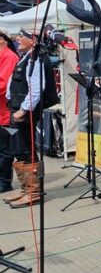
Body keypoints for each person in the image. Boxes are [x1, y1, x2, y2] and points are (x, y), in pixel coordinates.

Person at [4, 29, 56, 208]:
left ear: (33, 40)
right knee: (20, 149)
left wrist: (24, 110)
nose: (18, 39)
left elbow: (36, 87)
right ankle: (25, 189)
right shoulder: (27, 57)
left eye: (22, 37)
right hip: (16, 109)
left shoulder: (37, 58)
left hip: (24, 113)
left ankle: (33, 192)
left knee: (27, 149)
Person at [0, 30, 19, 194]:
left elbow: (4, 84)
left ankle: (4, 182)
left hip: (5, 114)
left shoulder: (9, 56)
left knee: (5, 150)